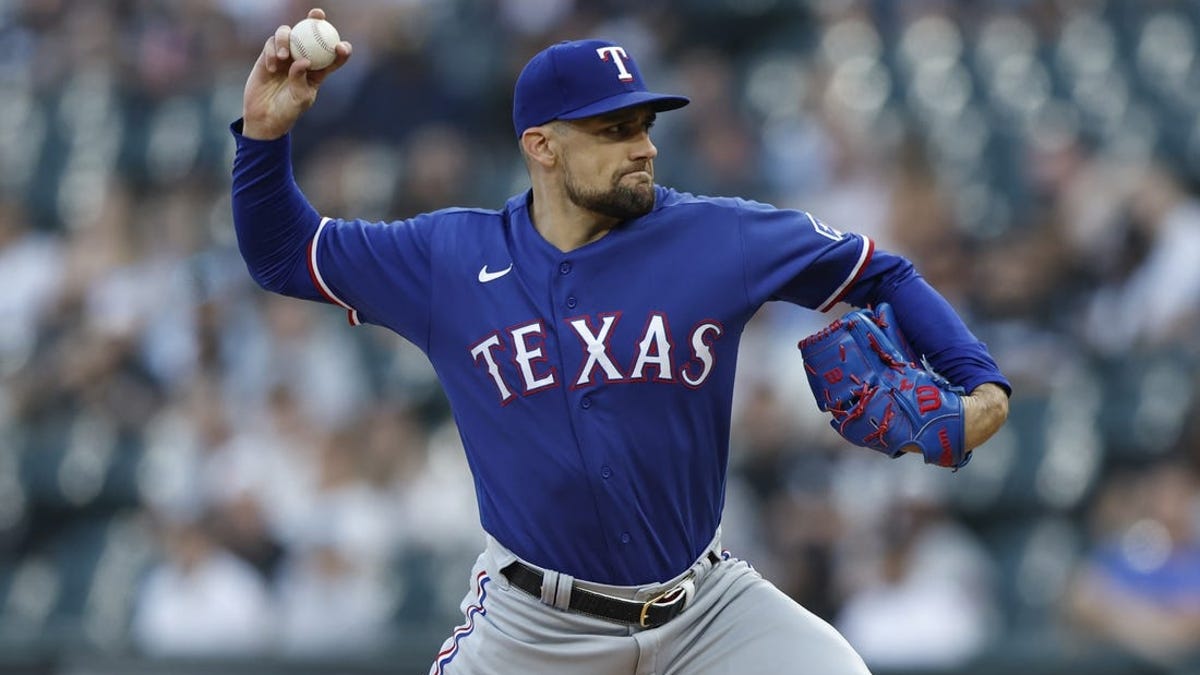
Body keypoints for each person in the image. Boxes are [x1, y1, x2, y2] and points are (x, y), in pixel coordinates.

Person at [231, 8, 1011, 674]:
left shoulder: (715, 235)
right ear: (543, 146)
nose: (644, 146)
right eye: (614, 129)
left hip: (705, 608)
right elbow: (282, 253)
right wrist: (264, 137)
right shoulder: (448, 259)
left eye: (644, 124)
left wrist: (980, 385)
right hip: (534, 624)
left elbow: (884, 272)